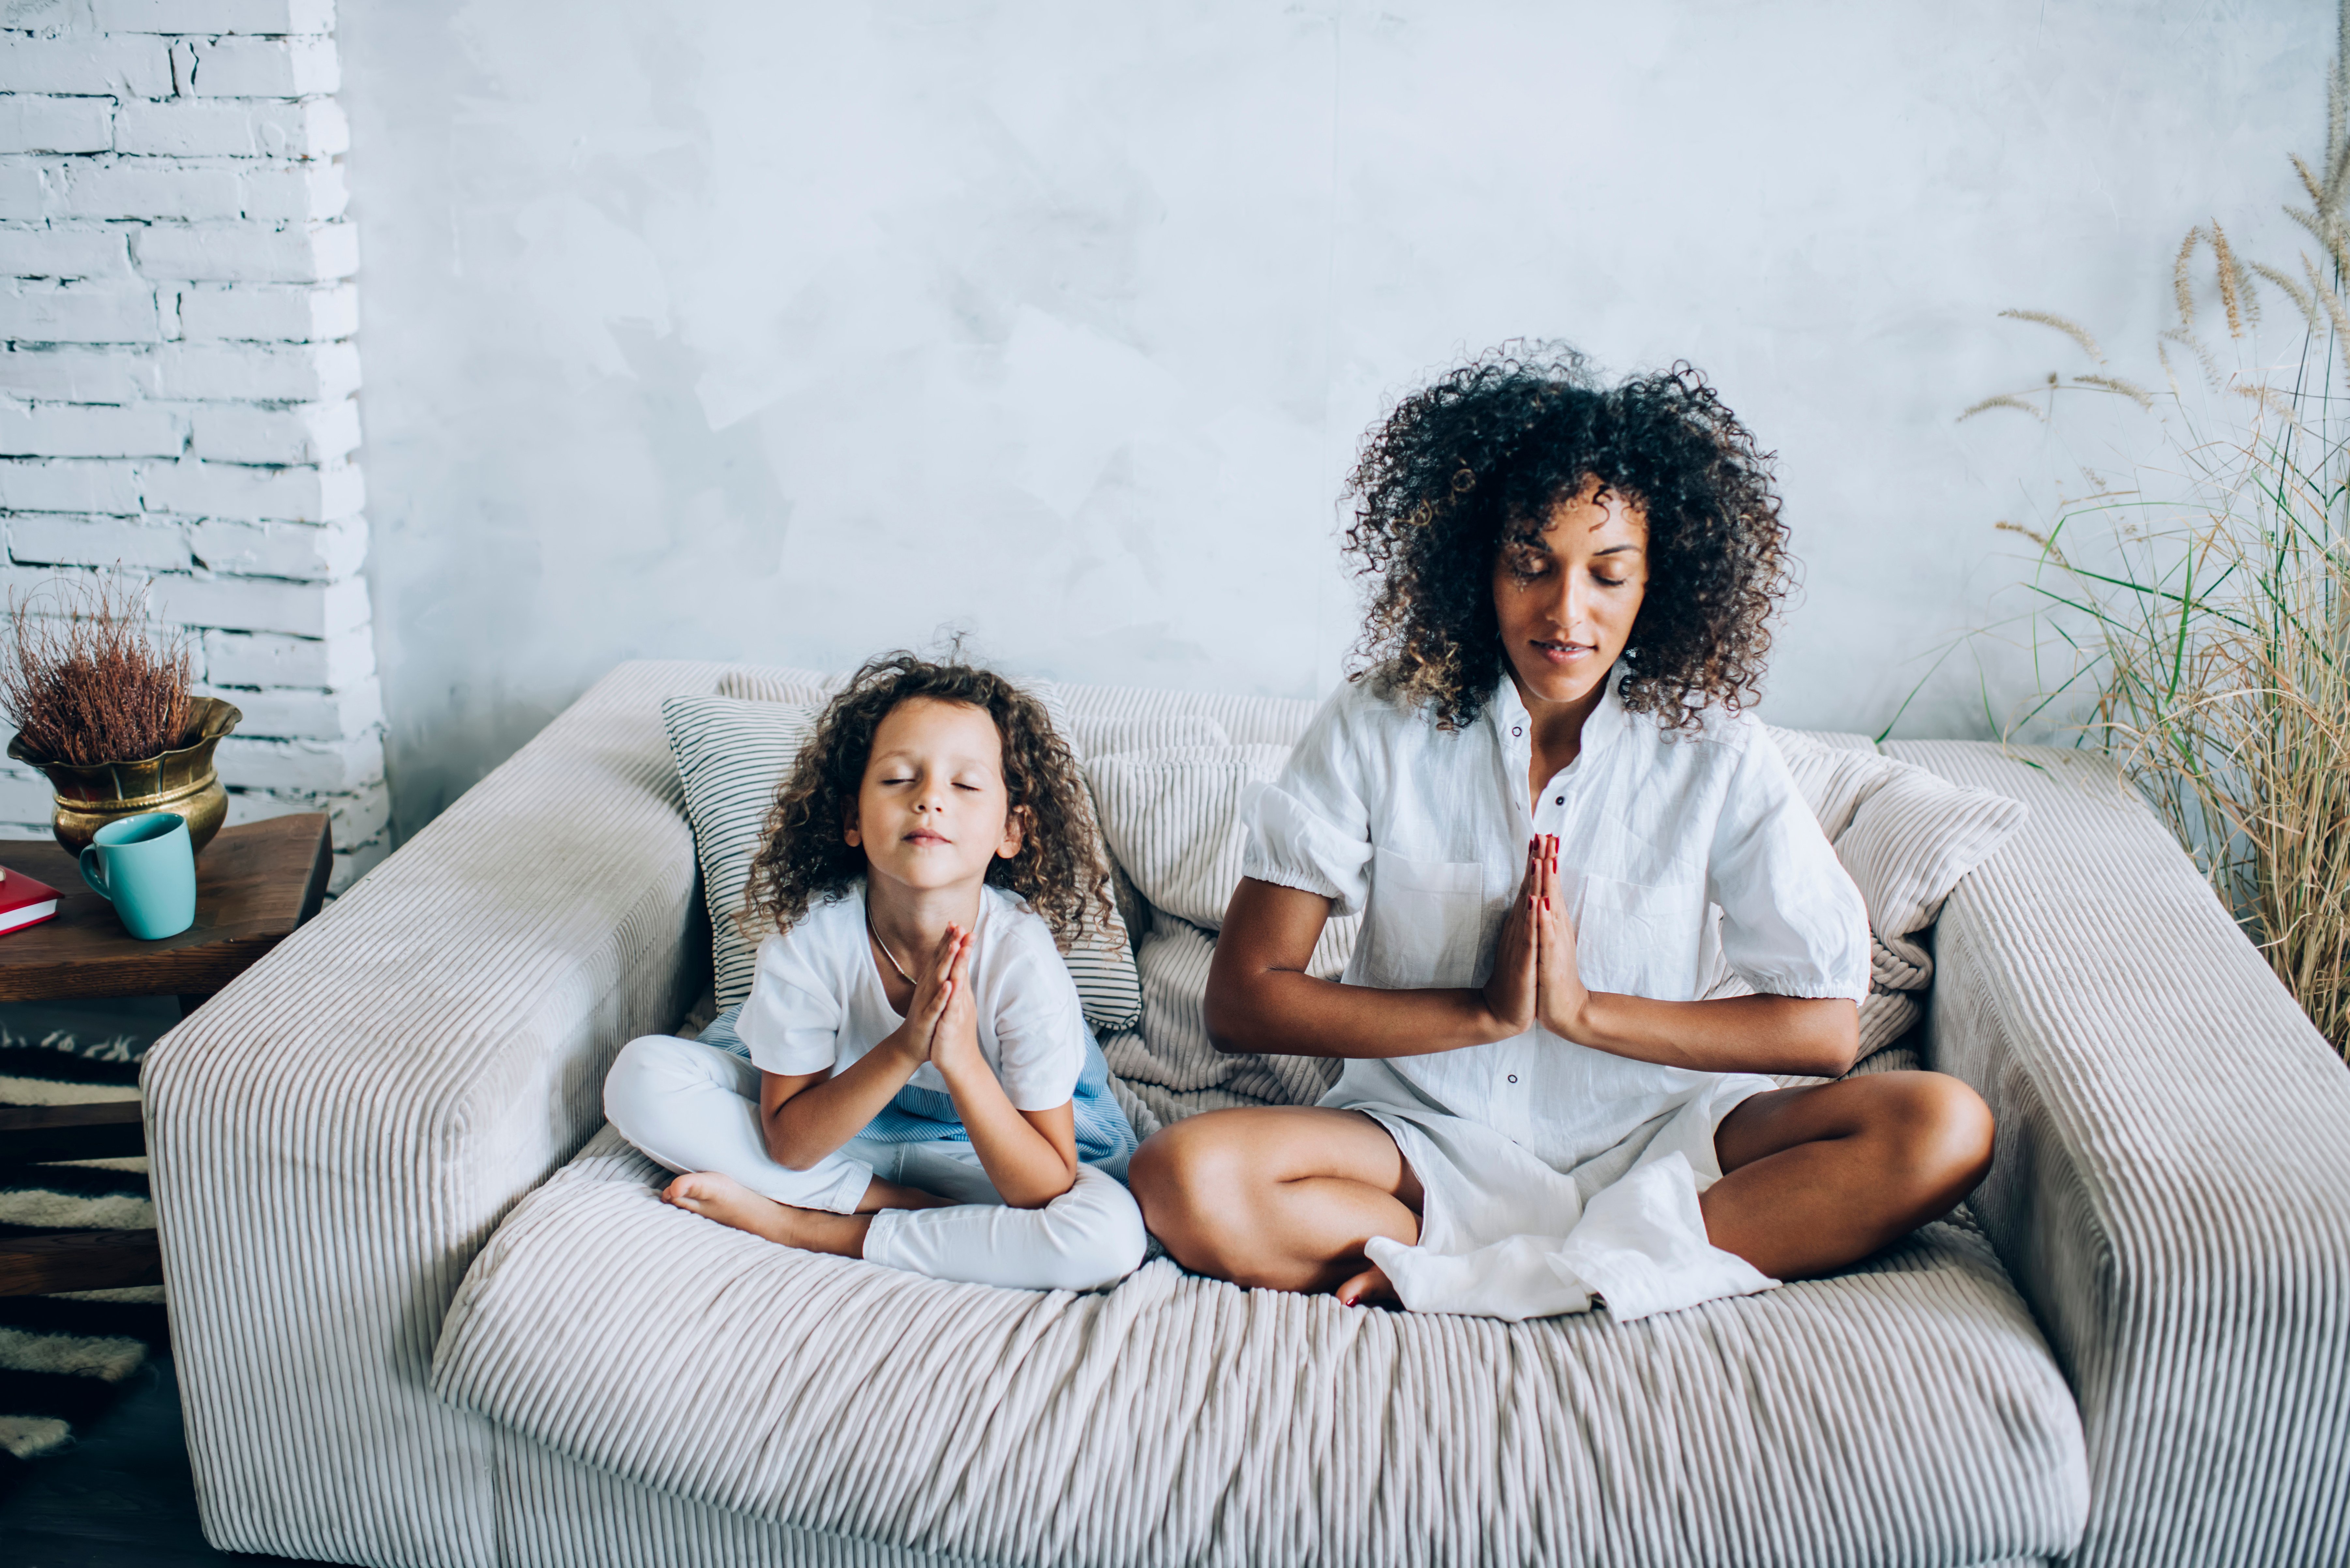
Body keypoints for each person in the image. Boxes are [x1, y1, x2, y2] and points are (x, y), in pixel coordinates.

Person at [1127, 345, 1995, 1322]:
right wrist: (1483, 1015)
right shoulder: (1377, 723)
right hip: (1423, 1144)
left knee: (1941, 1126)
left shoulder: (1713, 750)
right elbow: (1244, 1001)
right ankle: (1612, 1267)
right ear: (1475, 565)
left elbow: (1825, 1032)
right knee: (1180, 1178)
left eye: (1607, 576)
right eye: (1527, 565)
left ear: (1656, 585)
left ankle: (1492, 1278)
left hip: (1664, 1144)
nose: (1564, 612)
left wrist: (1582, 1014)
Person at [603, 653, 1147, 1294]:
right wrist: (907, 1045)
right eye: (897, 779)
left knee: (1108, 1236)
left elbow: (1043, 1187)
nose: (929, 799)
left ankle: (813, 1228)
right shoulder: (812, 935)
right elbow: (791, 1145)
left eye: (966, 786)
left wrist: (962, 1062)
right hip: (844, 1134)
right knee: (640, 1079)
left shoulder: (1022, 960)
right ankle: (931, 1219)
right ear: (852, 820)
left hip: (980, 1155)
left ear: (1011, 829)